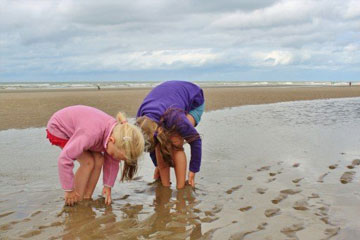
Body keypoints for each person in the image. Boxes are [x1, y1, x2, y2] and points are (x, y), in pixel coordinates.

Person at [46, 105, 144, 206]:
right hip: (60, 128)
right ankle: (75, 200)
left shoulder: (116, 135)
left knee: (99, 159)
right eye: (114, 155)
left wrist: (107, 186)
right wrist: (68, 189)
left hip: (84, 128)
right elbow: (64, 159)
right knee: (88, 162)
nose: (114, 158)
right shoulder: (90, 135)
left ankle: (87, 197)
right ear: (111, 140)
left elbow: (112, 162)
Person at [136, 80, 204, 189]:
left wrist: (193, 170)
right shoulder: (141, 119)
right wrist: (157, 165)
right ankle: (165, 186)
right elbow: (151, 145)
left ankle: (181, 187)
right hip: (169, 99)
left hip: (194, 100)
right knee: (159, 144)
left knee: (175, 141)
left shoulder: (175, 117)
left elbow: (196, 141)